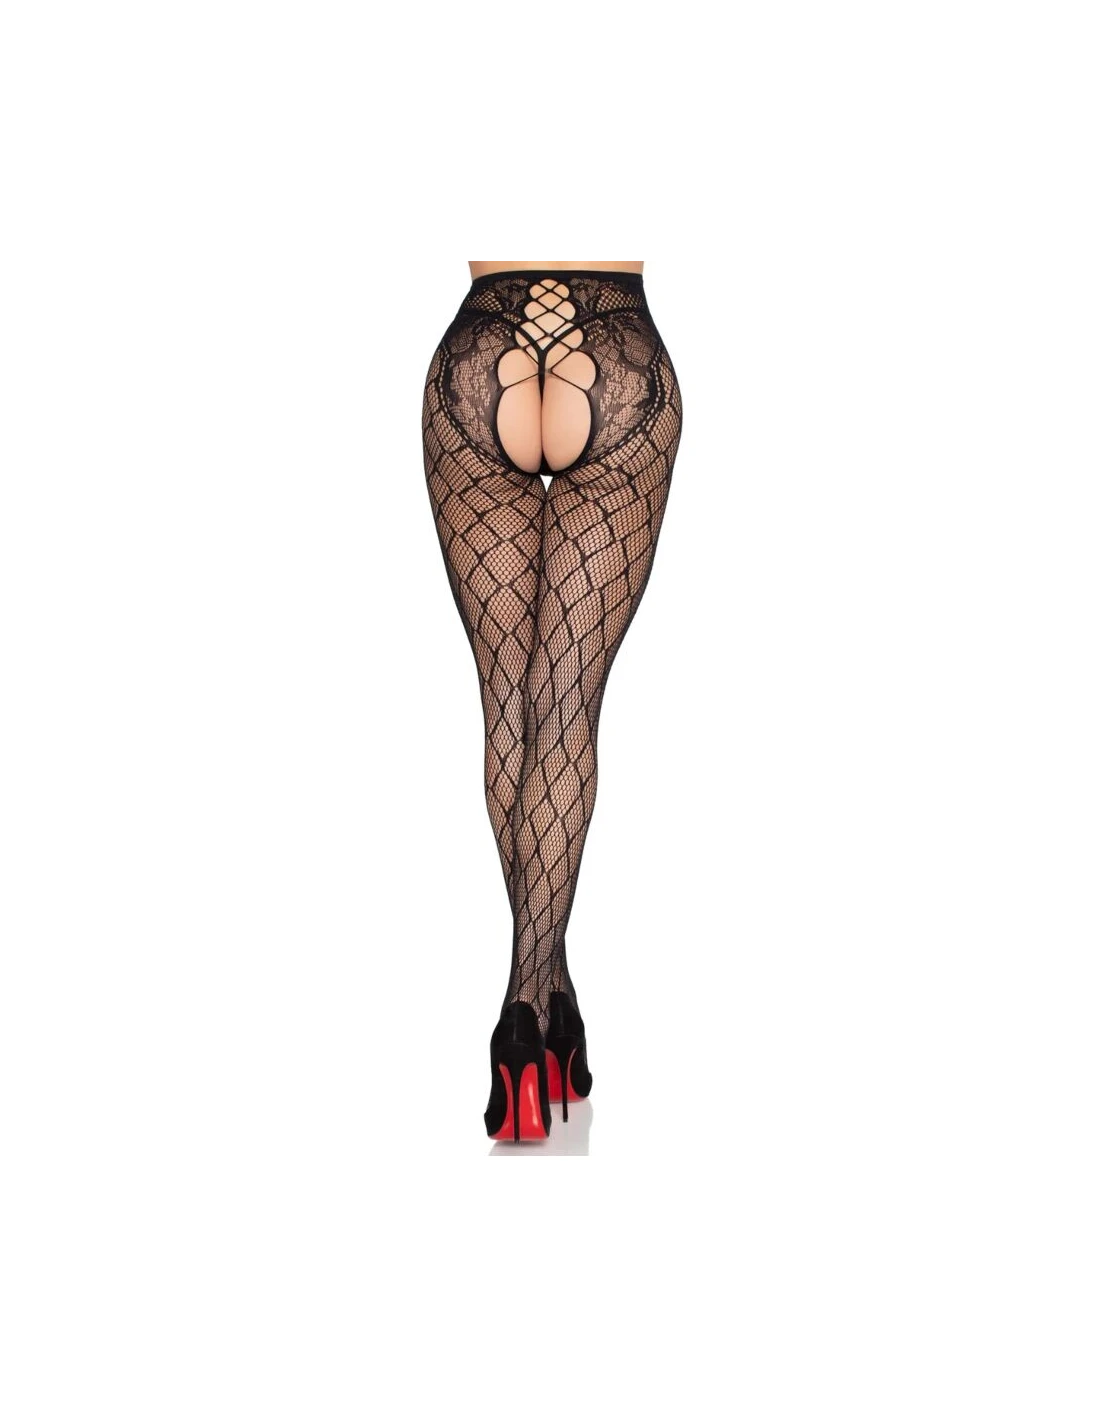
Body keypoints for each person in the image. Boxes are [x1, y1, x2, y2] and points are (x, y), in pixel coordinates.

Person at [421, 256, 684, 1140]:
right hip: (615, 347)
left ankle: (544, 1002)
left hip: (481, 344)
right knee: (563, 712)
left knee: (509, 707)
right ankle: (528, 999)